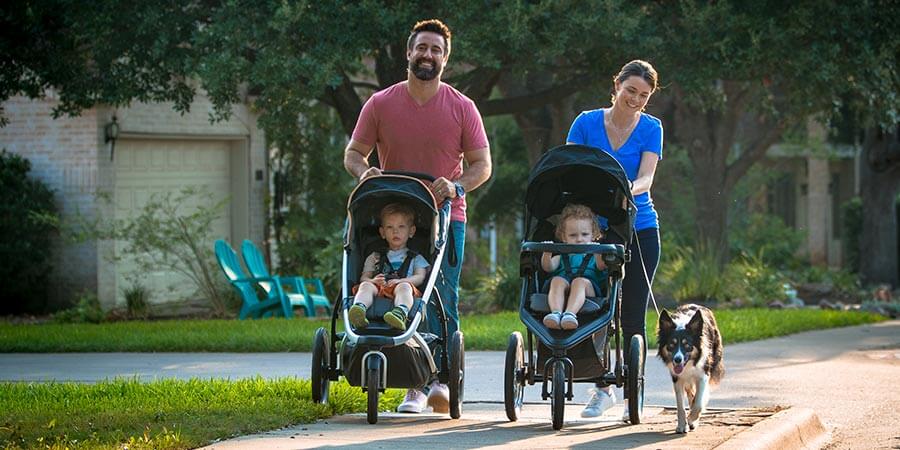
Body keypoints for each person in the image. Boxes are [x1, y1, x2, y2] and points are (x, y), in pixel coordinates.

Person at [343, 19, 492, 414]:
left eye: (436, 50)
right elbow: (353, 154)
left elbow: (482, 165)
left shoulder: (463, 107)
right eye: (422, 48)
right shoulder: (380, 103)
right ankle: (414, 386)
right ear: (409, 53)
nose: (428, 55)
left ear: (446, 59)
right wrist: (365, 172)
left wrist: (457, 185)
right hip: (395, 218)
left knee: (442, 296)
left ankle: (442, 379)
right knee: (393, 290)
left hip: (446, 216)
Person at [566, 59, 663, 419]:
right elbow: (571, 169)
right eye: (630, 91)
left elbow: (646, 178)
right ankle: (602, 389)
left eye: (643, 95)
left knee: (632, 314)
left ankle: (633, 393)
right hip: (593, 231)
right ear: (617, 85)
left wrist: (627, 191)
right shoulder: (586, 123)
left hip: (639, 227)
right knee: (600, 309)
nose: (635, 99)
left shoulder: (652, 128)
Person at [348, 203, 430, 331]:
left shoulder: (416, 258)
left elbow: (420, 277)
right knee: (365, 286)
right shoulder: (374, 256)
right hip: (379, 289)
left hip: (403, 289)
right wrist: (372, 281)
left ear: (411, 231)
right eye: (389, 227)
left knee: (404, 287)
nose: (395, 231)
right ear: (382, 232)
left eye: (401, 226)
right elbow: (364, 277)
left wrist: (403, 281)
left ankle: (400, 312)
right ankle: (359, 308)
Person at [541, 204, 608, 330]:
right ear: (563, 237)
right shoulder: (562, 256)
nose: (579, 239)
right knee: (556, 280)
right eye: (573, 235)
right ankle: (556, 313)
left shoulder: (594, 255)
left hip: (589, 290)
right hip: (564, 287)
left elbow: (601, 266)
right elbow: (548, 267)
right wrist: (547, 253)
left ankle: (569, 314)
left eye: (584, 234)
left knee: (579, 282)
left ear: (593, 235)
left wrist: (598, 250)